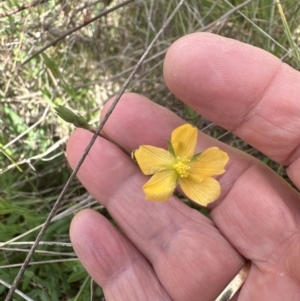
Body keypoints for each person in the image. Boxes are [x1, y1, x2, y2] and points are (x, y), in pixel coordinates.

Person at [66, 33, 300, 301]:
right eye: (182, 165)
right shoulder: (162, 166)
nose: (184, 167)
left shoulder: (191, 165)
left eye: (184, 165)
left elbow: (202, 175)